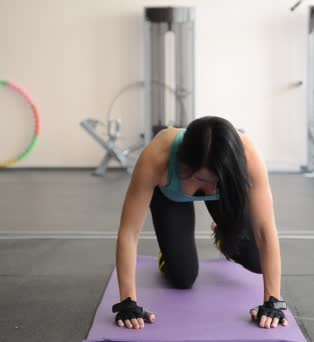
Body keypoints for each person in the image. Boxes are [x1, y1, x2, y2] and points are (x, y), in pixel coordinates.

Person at [112, 116, 287, 330]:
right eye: (202, 180)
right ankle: (169, 252)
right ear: (182, 167)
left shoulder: (248, 156)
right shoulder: (157, 158)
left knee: (258, 261)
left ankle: (223, 238)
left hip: (228, 192)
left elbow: (265, 231)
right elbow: (129, 232)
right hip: (171, 196)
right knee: (182, 278)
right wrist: (127, 302)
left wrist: (274, 302)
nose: (211, 189)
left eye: (217, 182)